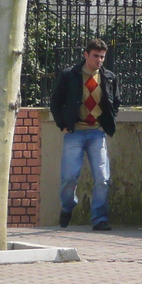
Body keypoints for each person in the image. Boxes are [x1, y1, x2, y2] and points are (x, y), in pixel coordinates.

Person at [50, 38, 120, 231]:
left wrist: (108, 122)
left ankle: (99, 219)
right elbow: (56, 102)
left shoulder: (109, 77)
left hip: (97, 133)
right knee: (69, 177)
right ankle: (68, 205)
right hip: (75, 133)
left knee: (102, 178)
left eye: (102, 57)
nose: (99, 60)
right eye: (95, 56)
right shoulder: (69, 75)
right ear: (86, 55)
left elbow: (115, 102)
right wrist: (62, 125)